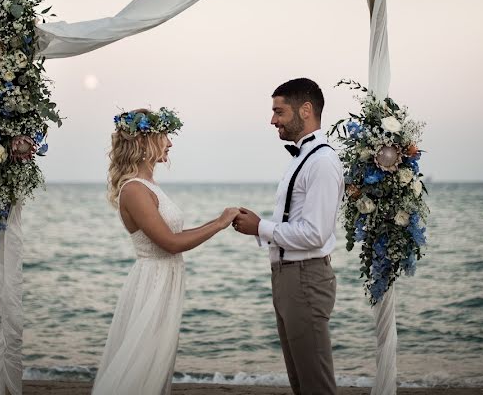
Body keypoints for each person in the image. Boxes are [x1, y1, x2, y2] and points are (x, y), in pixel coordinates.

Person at [92, 107, 239, 395]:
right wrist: (220, 224)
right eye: (165, 137)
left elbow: (173, 235)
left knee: (156, 359)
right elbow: (170, 243)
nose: (170, 143)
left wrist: (220, 218)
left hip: (166, 277)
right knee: (142, 360)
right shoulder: (134, 190)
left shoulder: (149, 185)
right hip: (152, 281)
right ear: (145, 142)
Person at [232, 78, 344, 395]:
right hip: (287, 278)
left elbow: (315, 233)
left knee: (316, 384)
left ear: (305, 110)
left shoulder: (322, 161)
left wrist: (260, 227)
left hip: (305, 279)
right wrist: (257, 226)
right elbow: (296, 224)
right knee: (301, 383)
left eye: (278, 111)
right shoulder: (302, 159)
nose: (273, 120)